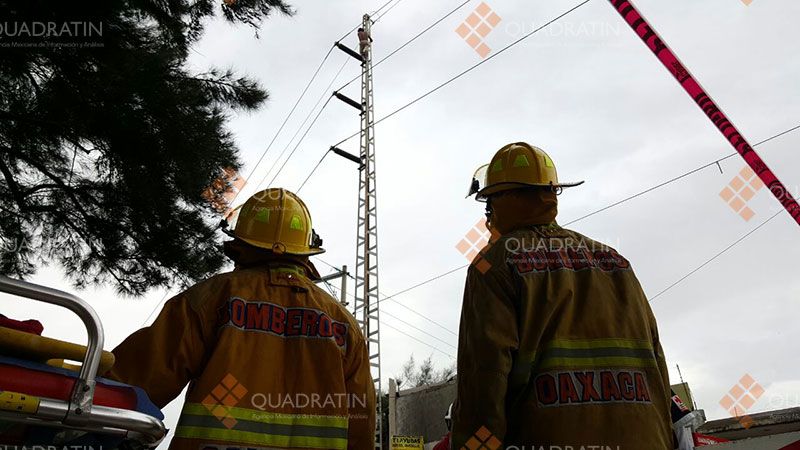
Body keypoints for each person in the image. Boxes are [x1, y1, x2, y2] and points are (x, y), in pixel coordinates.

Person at [109, 188, 376, 450]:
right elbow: (361, 424)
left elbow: (130, 387)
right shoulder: (344, 324)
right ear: (305, 249)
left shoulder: (207, 300)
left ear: (241, 243)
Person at [452, 143, 673, 449]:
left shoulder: (493, 264)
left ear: (501, 199)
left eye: (489, 204)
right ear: (550, 194)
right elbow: (657, 365)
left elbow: (484, 381)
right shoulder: (614, 261)